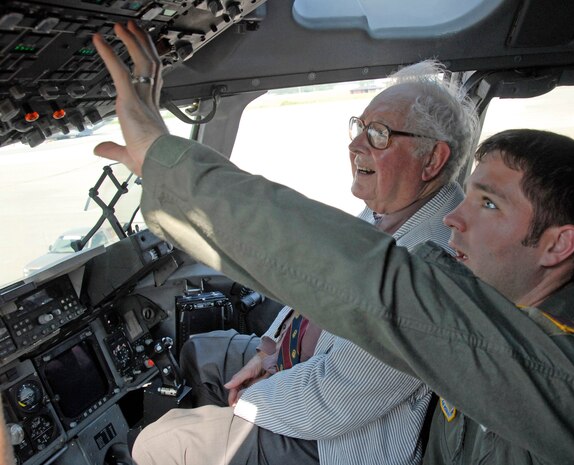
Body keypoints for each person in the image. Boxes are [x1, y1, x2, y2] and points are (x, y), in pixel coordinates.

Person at [92, 22, 574, 465]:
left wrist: (169, 165)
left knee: (167, 442)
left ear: (556, 246)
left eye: (488, 203)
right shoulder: (506, 320)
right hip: (309, 385)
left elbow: (366, 284)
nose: (453, 221)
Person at [140, 57, 478, 465]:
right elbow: (318, 289)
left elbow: (336, 398)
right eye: (359, 127)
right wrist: (267, 355)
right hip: (310, 369)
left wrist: (252, 399)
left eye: (379, 134)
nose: (356, 145)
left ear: (433, 160)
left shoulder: (433, 260)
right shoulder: (387, 212)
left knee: (161, 441)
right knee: (200, 352)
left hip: (337, 441)